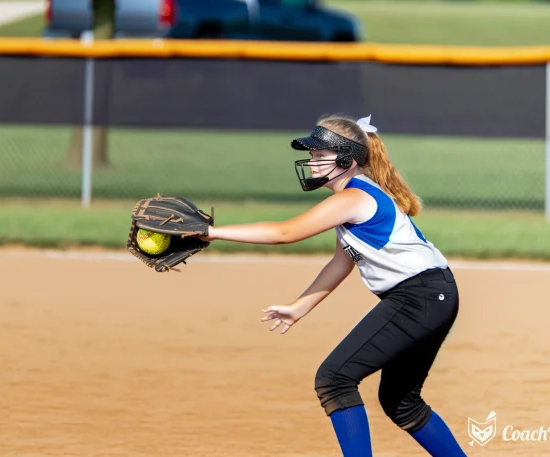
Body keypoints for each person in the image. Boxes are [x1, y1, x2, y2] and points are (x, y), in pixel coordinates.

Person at [198, 114, 467, 457]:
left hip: (419, 298)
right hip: (433, 295)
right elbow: (342, 261)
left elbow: (285, 233)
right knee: (401, 402)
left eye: (319, 155)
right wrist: (300, 307)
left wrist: (212, 232)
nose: (311, 162)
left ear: (347, 160)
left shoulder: (352, 198)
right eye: (311, 155)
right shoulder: (357, 195)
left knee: (335, 379)